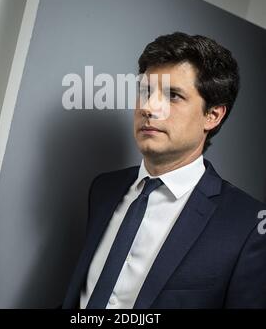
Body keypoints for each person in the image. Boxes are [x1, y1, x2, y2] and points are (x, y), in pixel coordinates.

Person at [62, 32, 266, 309]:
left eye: (173, 96)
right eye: (146, 92)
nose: (148, 107)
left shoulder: (248, 225)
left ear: (212, 115)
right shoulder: (104, 189)